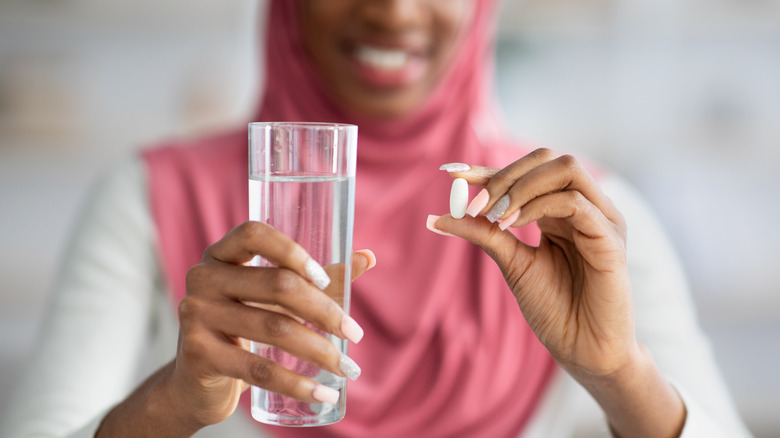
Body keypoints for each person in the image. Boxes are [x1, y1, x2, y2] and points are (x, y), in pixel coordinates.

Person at [2, 1, 752, 437]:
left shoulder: (586, 226)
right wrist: (170, 403)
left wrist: (620, 374)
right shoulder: (144, 200)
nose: (393, 12)